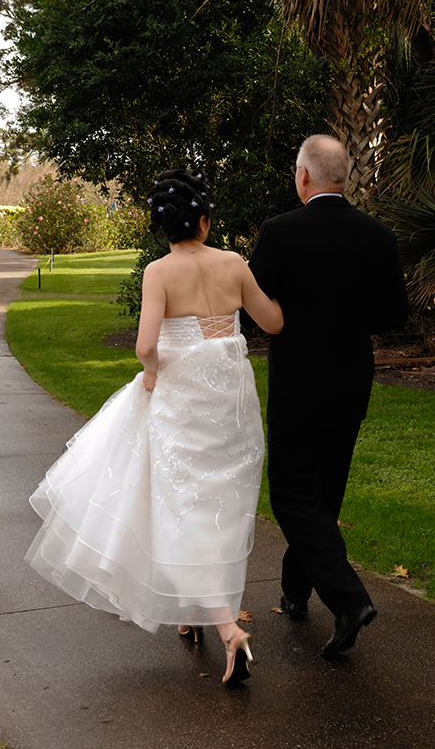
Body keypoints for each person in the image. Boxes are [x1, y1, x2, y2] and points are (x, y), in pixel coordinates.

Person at [26, 169, 283, 685]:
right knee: (219, 509)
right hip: (230, 404)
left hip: (183, 404)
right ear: (205, 221)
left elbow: (147, 346)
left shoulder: (159, 272)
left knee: (180, 508)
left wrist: (149, 372)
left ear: (161, 228)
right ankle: (196, 613)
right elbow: (272, 322)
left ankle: (229, 629)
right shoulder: (234, 264)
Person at [248, 135, 409, 657]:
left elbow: (252, 300)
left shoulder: (279, 232)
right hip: (350, 381)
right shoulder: (378, 235)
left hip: (298, 382)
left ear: (304, 177)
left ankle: (348, 600)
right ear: (344, 177)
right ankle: (296, 593)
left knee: (293, 496)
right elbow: (392, 317)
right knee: (324, 494)